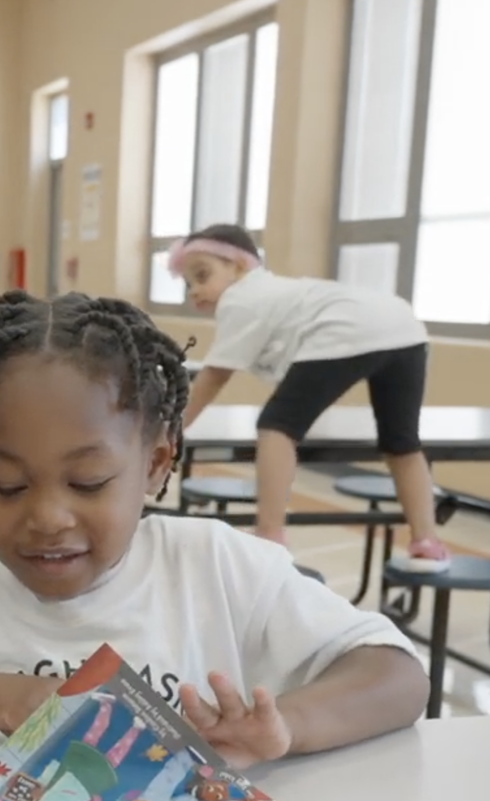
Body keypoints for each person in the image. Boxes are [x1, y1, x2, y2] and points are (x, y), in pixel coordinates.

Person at [0, 291, 428, 762]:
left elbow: (398, 678)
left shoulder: (215, 567)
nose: (50, 518)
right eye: (7, 487)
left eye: (89, 482)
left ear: (155, 465)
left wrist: (288, 725)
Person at [171, 225, 451, 569]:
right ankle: (427, 541)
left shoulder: (243, 297)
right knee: (402, 443)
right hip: (406, 330)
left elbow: (214, 376)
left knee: (277, 426)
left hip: (346, 328)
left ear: (241, 267)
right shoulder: (278, 293)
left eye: (203, 275)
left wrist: (172, 430)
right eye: (189, 284)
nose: (196, 290)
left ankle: (269, 536)